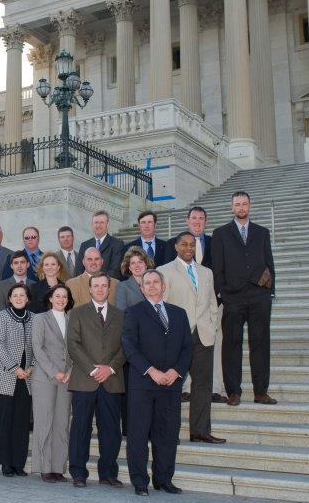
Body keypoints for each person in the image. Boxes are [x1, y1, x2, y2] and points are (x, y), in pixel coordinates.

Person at [122, 270, 193, 496]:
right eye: (147, 283)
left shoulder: (179, 314)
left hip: (170, 384)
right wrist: (151, 371)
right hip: (143, 383)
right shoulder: (133, 313)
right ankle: (140, 482)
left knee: (167, 434)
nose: (152, 286)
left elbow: (187, 348)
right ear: (142, 289)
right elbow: (129, 346)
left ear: (164, 286)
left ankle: (164, 479)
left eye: (156, 282)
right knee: (139, 435)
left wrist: (176, 371)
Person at [158, 233, 225, 444]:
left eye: (192, 244)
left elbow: (213, 302)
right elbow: (161, 305)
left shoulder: (206, 272)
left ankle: (200, 431)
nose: (189, 247)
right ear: (176, 247)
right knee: (171, 385)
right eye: (184, 244)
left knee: (203, 385)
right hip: (176, 337)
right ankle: (168, 432)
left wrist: (212, 325)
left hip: (204, 336)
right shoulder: (164, 271)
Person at [212, 191, 276, 406]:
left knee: (260, 343)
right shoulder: (220, 233)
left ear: (250, 206)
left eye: (244, 204)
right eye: (237, 204)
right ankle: (234, 392)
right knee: (232, 344)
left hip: (259, 296)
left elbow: (269, 262)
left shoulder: (262, 232)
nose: (241, 207)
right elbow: (217, 267)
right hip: (233, 297)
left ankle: (261, 392)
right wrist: (222, 292)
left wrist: (270, 292)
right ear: (232, 207)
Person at [67, 273, 125, 488]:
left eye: (104, 286)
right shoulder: (77, 313)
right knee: (81, 428)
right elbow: (73, 344)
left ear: (109, 289)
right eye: (96, 286)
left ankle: (108, 473)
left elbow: (125, 346)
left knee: (111, 429)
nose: (100, 289)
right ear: (89, 289)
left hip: (111, 380)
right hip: (85, 379)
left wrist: (109, 368)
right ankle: (78, 473)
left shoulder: (121, 315)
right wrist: (93, 370)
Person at [163, 206, 225, 403]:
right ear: (187, 221)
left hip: (206, 314)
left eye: (201, 219)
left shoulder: (216, 243)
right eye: (194, 218)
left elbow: (221, 271)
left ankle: (215, 389)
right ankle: (184, 389)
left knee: (207, 366)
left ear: (205, 222)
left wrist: (212, 317)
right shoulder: (171, 249)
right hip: (181, 319)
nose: (197, 221)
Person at [0, 283, 35, 477]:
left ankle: (18, 463)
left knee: (21, 423)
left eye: (22, 295)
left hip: (27, 377)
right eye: (15, 295)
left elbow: (37, 345)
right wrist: (16, 368)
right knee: (4, 421)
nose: (18, 298)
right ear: (9, 298)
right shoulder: (1, 316)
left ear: (27, 298)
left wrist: (31, 366)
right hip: (5, 376)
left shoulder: (34, 318)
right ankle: (5, 462)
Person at [31, 284, 74, 482]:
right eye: (57, 296)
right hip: (45, 377)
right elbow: (37, 348)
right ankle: (44, 467)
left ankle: (58, 468)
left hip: (66, 379)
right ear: (50, 298)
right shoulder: (40, 318)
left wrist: (69, 372)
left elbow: (76, 349)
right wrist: (54, 372)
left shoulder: (71, 318)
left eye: (64, 296)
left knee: (61, 423)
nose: (61, 299)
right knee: (44, 422)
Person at [115, 246, 153, 436]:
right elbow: (122, 314)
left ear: (146, 264)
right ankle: (129, 428)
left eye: (140, 262)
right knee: (131, 390)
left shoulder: (155, 282)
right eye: (133, 263)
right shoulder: (123, 286)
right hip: (133, 345)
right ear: (128, 267)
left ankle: (150, 427)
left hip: (154, 346)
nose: (137, 266)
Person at [75, 210, 124, 279]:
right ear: (92, 224)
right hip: (85, 286)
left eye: (102, 222)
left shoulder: (117, 244)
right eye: (96, 222)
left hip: (106, 286)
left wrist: (97, 283)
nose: (98, 225)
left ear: (107, 224)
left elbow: (114, 270)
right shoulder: (84, 245)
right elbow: (78, 270)